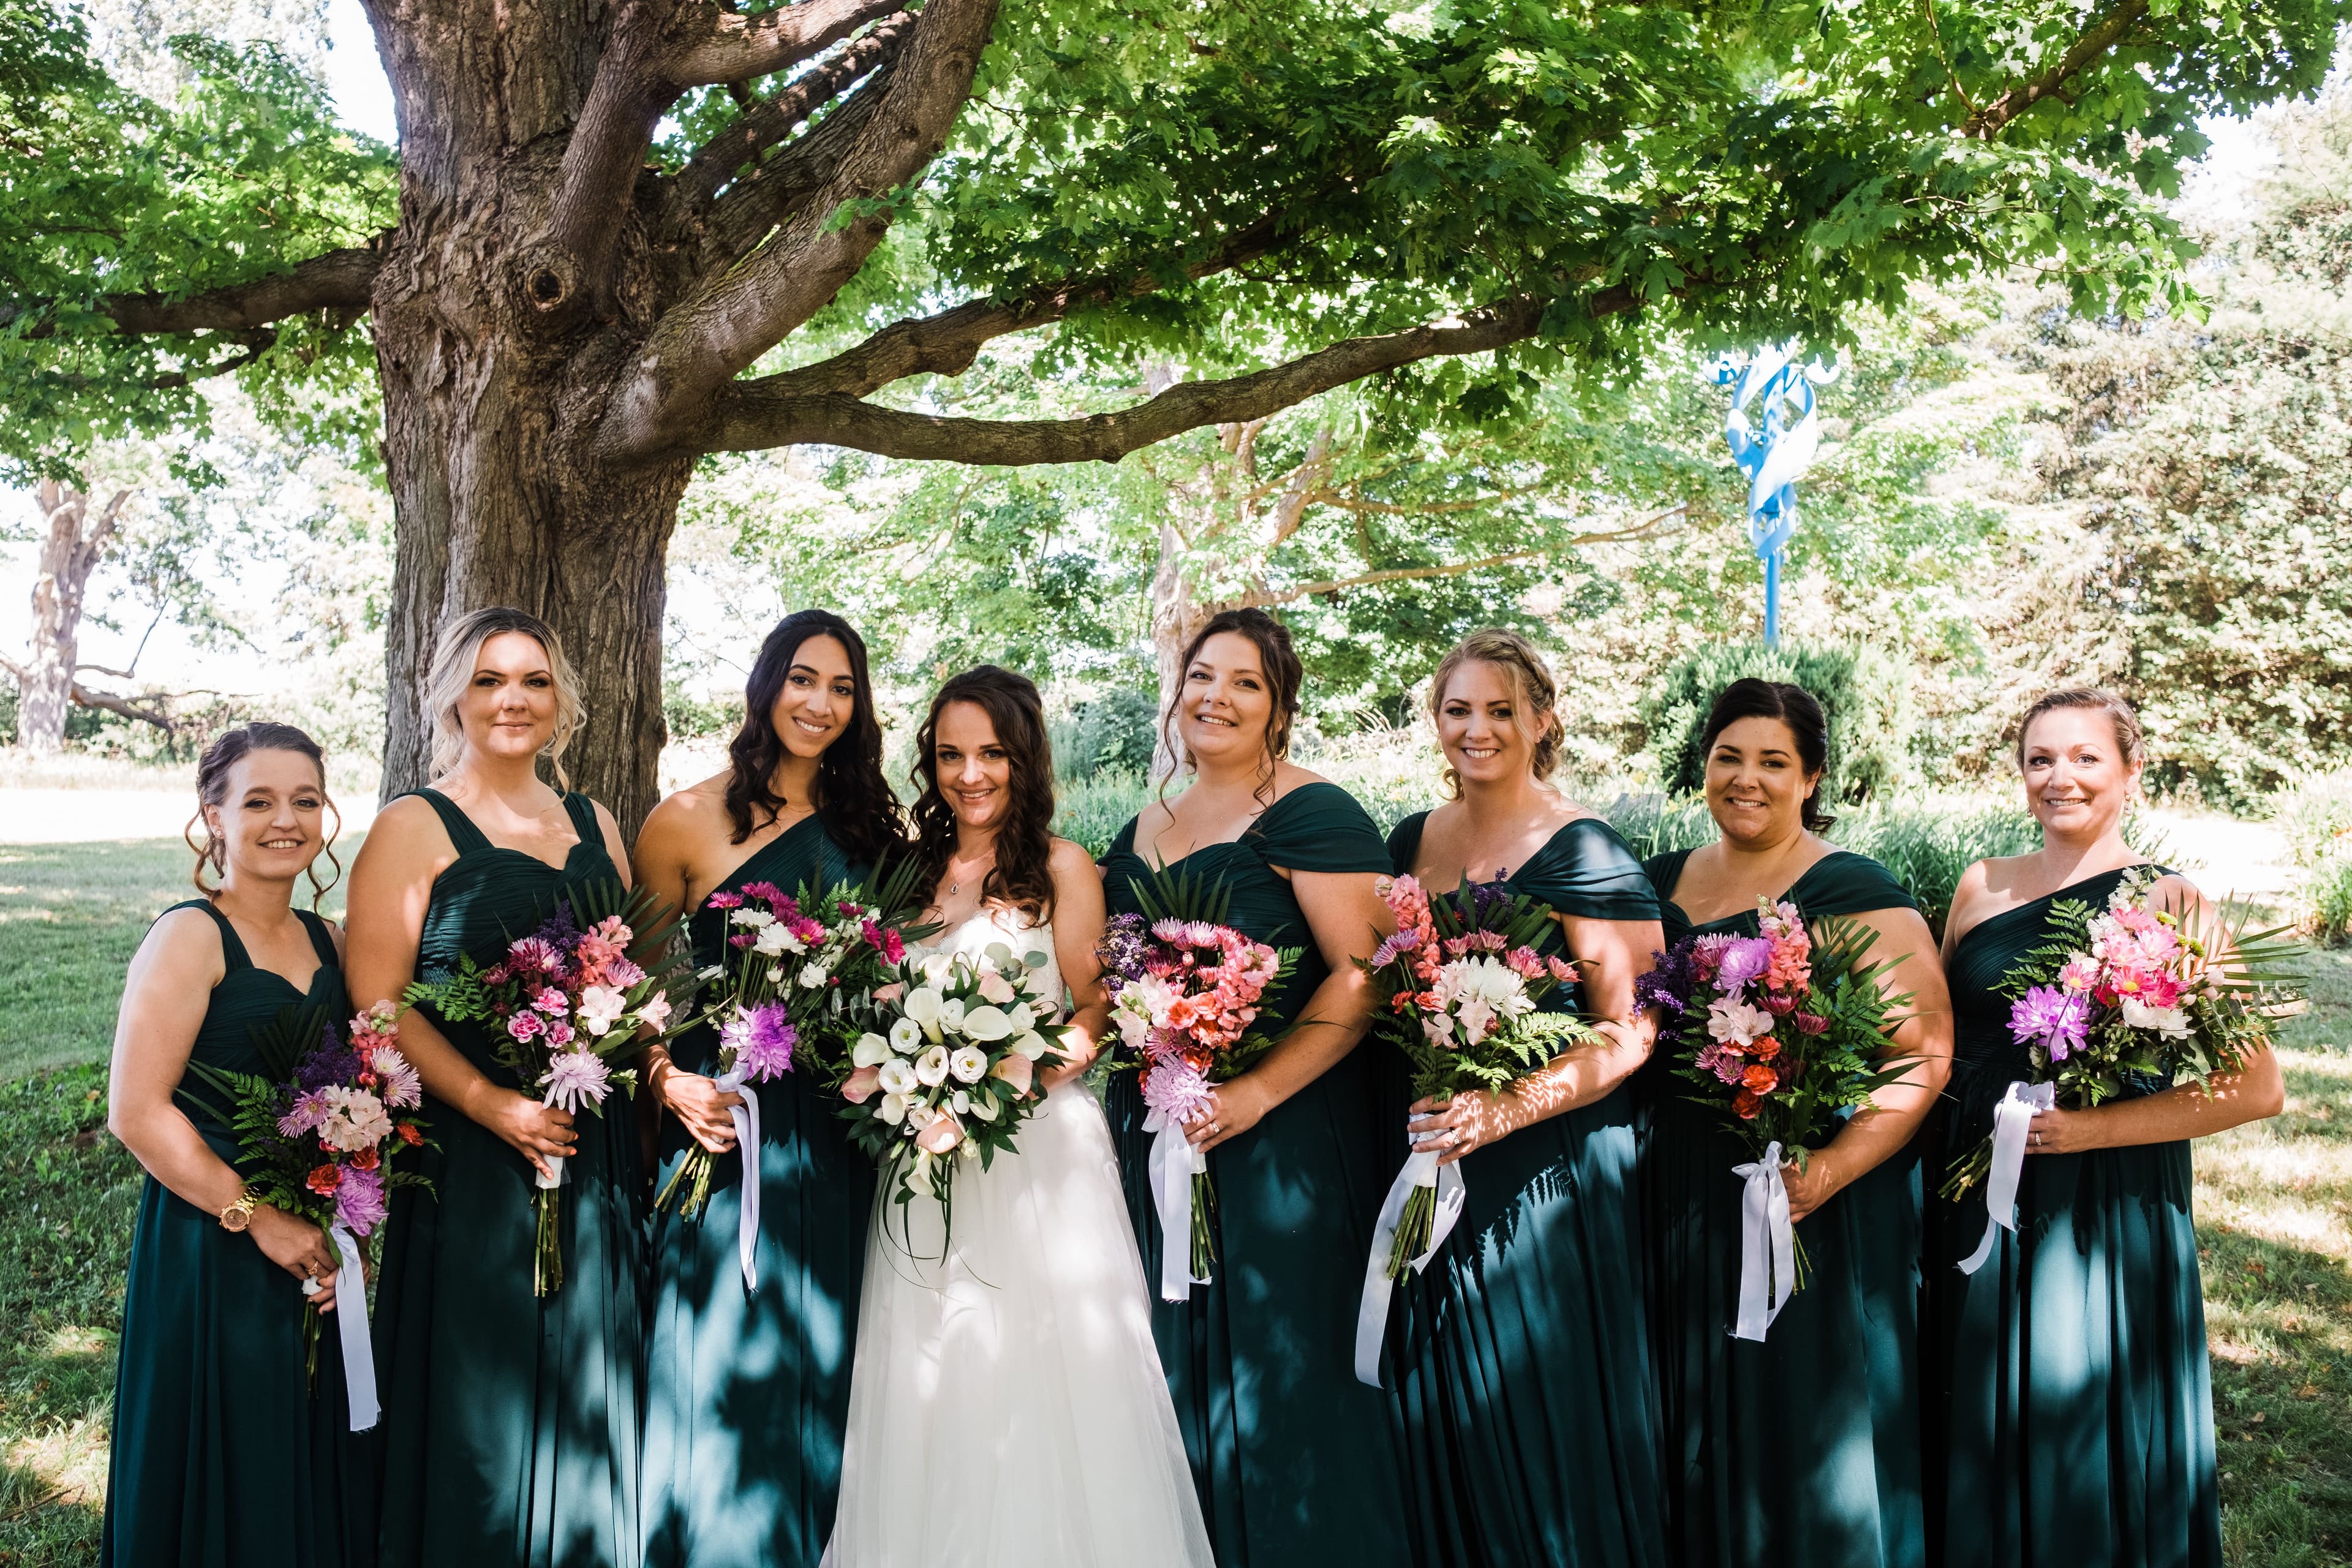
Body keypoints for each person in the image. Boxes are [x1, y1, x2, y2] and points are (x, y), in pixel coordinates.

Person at [823, 665, 1213, 1568]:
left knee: (1046, 1376)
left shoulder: (1063, 866)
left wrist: (1007, 1087)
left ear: (1023, 758)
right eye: (952, 754)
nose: (971, 774)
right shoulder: (910, 875)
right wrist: (913, 1087)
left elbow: (1093, 1013)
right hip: (921, 1151)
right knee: (934, 1371)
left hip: (1035, 1150)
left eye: (992, 753)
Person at [1926, 688, 2281, 1568]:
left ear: (2131, 769)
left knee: (2071, 1403)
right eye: (2041, 759)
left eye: (2086, 758)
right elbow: (1935, 1046)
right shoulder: (1981, 884)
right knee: (1970, 1398)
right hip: (1969, 1186)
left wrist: (2088, 1135)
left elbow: (2255, 1087)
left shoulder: (2172, 902)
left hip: (2100, 1202)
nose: (2061, 779)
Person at [1096, 607, 1409, 1568]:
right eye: (1201, 676)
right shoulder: (1142, 824)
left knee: (1288, 1379)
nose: (1215, 698)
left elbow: (1366, 976)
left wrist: (1260, 1092)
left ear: (1279, 708)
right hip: (1160, 1133)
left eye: (1245, 683)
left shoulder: (1313, 811)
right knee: (1173, 1369)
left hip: (1281, 1145)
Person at [348, 606, 643, 1568]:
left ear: (562, 698)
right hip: (473, 1151)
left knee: (583, 1382)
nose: (512, 700)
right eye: (489, 680)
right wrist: (486, 1103)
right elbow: (380, 1005)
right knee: (481, 1392)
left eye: (533, 681)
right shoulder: (412, 825)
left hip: (587, 1142)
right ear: (450, 698)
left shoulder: (597, 820)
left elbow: (627, 973)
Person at [1640, 678, 1953, 1568]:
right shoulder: (1659, 880)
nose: (1748, 779)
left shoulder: (1851, 889)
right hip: (1677, 1191)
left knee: (1798, 1416)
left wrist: (1833, 1168)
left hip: (1807, 1198)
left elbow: (1921, 1053)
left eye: (1774, 762)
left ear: (1812, 777)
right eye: (1728, 757)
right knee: (1691, 1408)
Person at [1381, 631, 1668, 1568]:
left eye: (1501, 709)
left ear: (1542, 721)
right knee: (1442, 1412)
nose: (1477, 729)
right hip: (1435, 1155)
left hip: (1551, 1175)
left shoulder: (1584, 845)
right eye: (1458, 709)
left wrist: (1509, 1109)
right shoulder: (1410, 841)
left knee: (1545, 1412)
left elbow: (1632, 1027)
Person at [635, 611, 908, 1568]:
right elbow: (636, 987)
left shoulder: (874, 831)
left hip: (835, 1128)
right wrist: (669, 1081)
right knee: (723, 1351)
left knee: (825, 1348)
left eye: (841, 688)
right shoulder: (683, 820)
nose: (820, 704)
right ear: (765, 686)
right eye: (802, 679)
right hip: (724, 1120)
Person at [102, 722, 371, 1567]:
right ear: (212, 816)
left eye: (304, 800)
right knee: (219, 1445)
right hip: (212, 1238)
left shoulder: (331, 942)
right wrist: (256, 1218)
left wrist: (349, 1223)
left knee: (299, 1444)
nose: (284, 819)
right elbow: (137, 1112)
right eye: (257, 801)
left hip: (314, 1238)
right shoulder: (189, 937)